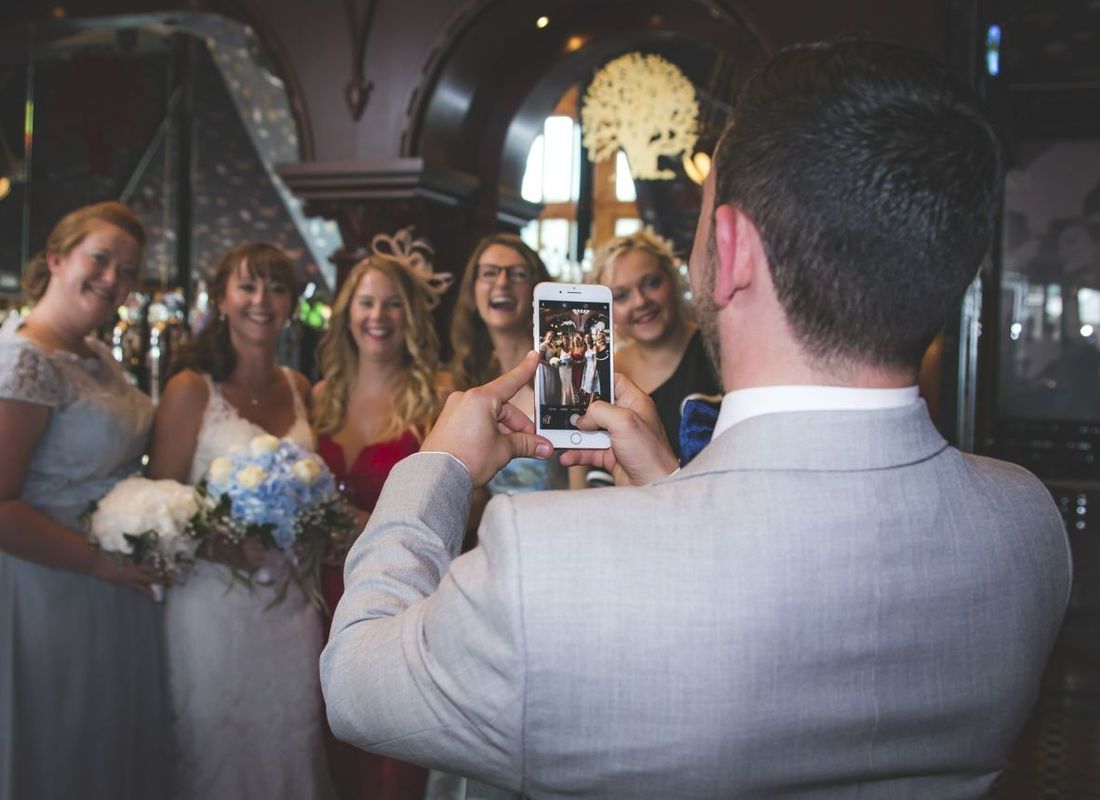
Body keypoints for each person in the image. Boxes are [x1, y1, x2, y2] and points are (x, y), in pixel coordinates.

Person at [321, 40, 1072, 798]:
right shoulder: (1027, 525)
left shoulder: (545, 562)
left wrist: (439, 466)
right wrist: (670, 487)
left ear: (730, 246)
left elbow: (356, 682)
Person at [146, 242, 334, 799]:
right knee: (216, 746)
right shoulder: (189, 389)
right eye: (248, 286)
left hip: (292, 604)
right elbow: (161, 505)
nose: (262, 300)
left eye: (277, 288)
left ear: (291, 304)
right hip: (212, 602)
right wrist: (218, 546)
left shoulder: (299, 388)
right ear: (222, 298)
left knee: (292, 739)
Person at [0, 201, 170, 799]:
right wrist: (100, 562)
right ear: (54, 258)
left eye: (127, 271)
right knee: (59, 747)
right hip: (50, 584)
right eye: (99, 260)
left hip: (107, 581)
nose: (113, 280)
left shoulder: (94, 355)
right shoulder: (26, 359)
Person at [311, 248, 443, 800]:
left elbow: (456, 508)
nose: (378, 316)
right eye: (366, 302)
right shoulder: (318, 396)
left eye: (392, 304)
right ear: (347, 312)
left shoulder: (434, 397)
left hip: (393, 594)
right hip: (317, 597)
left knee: (387, 754)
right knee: (323, 746)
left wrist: (371, 526)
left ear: (409, 316)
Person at [590, 229, 720, 460]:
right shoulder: (600, 373)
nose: (640, 301)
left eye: (652, 283)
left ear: (674, 280)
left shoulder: (717, 352)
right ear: (606, 309)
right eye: (621, 296)